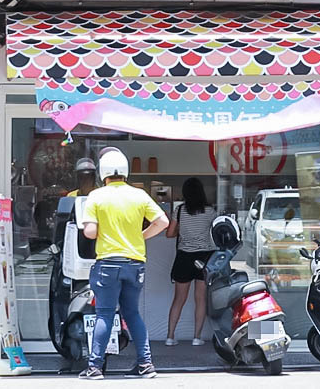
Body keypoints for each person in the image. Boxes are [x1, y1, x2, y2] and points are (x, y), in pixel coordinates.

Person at [79, 147, 168, 380]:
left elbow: (89, 231)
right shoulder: (139, 195)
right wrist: (141, 236)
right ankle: (146, 364)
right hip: (135, 264)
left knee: (105, 314)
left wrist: (91, 226)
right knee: (132, 314)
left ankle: (95, 367)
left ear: (103, 173)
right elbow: (163, 222)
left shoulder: (96, 196)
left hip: (107, 264)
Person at [165, 178, 218, 346]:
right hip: (204, 257)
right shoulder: (210, 212)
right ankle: (197, 337)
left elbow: (169, 233)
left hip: (184, 257)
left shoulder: (179, 211)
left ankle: (170, 336)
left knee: (178, 299)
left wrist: (182, 232)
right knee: (200, 299)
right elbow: (216, 232)